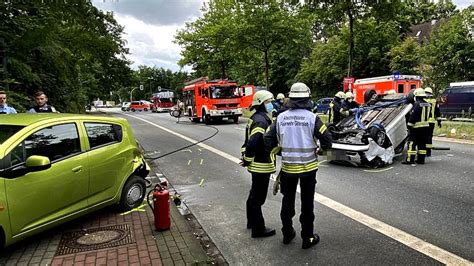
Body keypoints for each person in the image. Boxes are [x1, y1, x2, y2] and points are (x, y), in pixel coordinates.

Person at [264, 82, 332, 249]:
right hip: (309, 169)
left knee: (287, 202)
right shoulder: (312, 118)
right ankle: (307, 238)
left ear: (290, 98)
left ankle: (287, 234)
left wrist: (279, 151)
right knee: (307, 204)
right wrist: (321, 152)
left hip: (288, 168)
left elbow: (267, 139)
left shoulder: (280, 117)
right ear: (308, 98)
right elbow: (327, 140)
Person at [241, 90, 277, 238]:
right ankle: (258, 229)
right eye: (268, 102)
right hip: (261, 164)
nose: (271, 104)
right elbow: (254, 141)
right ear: (261, 103)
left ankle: (251, 221)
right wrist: (248, 158)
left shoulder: (255, 117)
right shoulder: (261, 121)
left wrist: (246, 157)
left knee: (254, 193)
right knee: (258, 197)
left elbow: (248, 141)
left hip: (256, 163)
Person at [402, 88, 431, 165]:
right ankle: (421, 160)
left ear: (416, 96)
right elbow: (430, 115)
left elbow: (413, 116)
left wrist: (409, 125)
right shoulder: (428, 104)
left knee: (412, 143)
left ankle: (410, 160)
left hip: (416, 128)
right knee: (422, 144)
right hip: (426, 127)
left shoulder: (416, 104)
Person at [424, 87, 441, 157]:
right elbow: (437, 112)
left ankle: (423, 151)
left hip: (424, 122)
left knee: (424, 137)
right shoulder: (434, 101)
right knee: (429, 137)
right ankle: (428, 152)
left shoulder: (423, 100)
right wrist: (439, 121)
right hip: (431, 122)